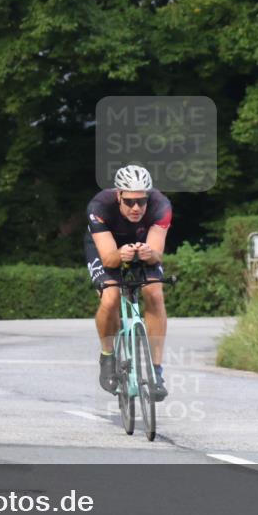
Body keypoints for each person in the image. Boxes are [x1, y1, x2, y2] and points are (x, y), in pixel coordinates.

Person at [85, 164, 171, 400]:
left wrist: (148, 253)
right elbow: (109, 259)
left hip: (141, 245)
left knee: (154, 293)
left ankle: (155, 372)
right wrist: (120, 254)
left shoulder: (161, 205)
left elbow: (157, 253)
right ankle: (107, 355)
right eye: (130, 201)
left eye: (141, 202)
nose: (136, 208)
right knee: (111, 298)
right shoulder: (99, 206)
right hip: (108, 248)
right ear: (118, 195)